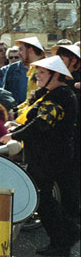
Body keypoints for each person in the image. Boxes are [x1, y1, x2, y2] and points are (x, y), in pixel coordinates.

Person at [0, 56, 80, 256]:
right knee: (46, 197)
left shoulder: (59, 95)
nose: (37, 76)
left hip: (50, 157)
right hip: (49, 155)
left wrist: (14, 135)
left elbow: (42, 123)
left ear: (56, 75)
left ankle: (61, 241)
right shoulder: (52, 94)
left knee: (43, 198)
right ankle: (67, 234)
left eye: (42, 72)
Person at [51, 43, 80, 222]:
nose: (59, 61)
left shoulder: (75, 81)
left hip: (75, 138)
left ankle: (72, 221)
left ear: (74, 60)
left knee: (71, 181)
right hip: (64, 137)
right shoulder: (62, 80)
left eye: (63, 57)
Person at [3, 37, 45, 108]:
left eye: (21, 49)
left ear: (30, 50)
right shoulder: (13, 68)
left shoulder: (48, 69)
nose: (18, 53)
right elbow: (6, 93)